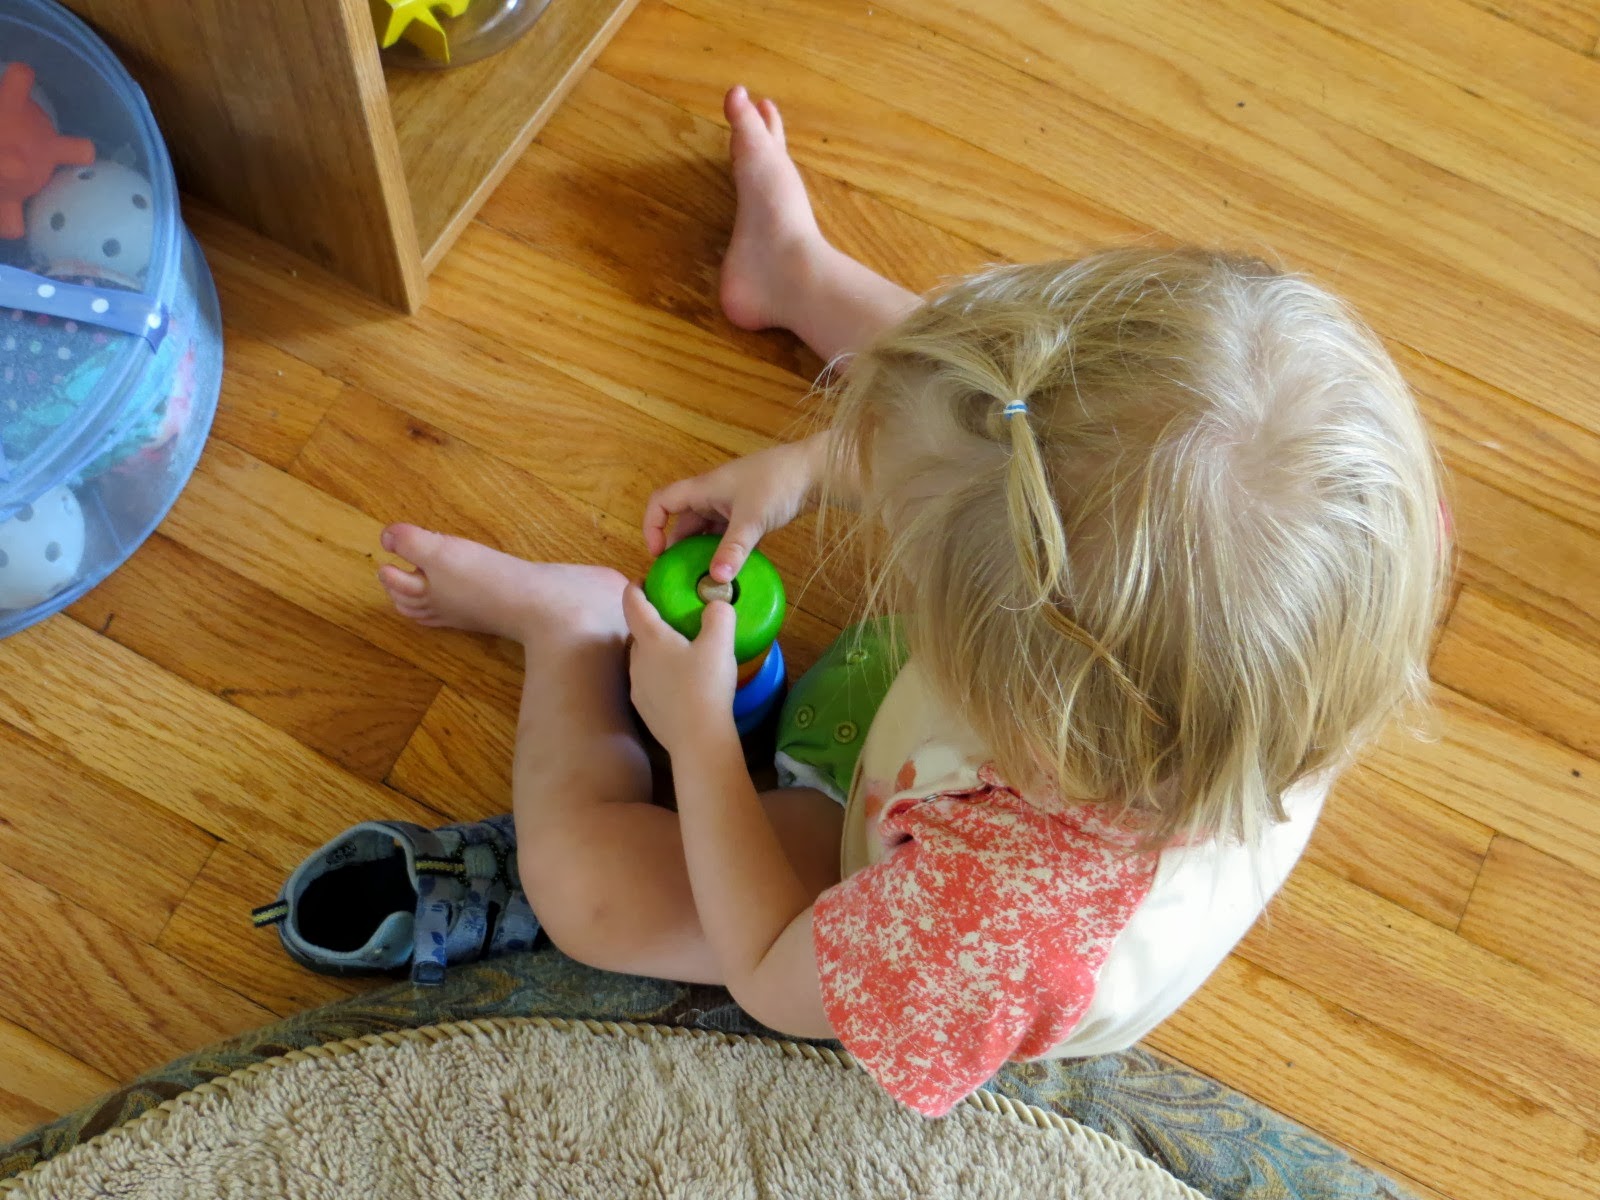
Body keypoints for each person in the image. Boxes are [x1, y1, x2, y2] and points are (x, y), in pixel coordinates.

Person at [373, 86, 1450, 1115]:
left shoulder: (982, 929)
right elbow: (1020, 437)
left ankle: (566, 629)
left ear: (1012, 700)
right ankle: (796, 275)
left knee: (590, 891)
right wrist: (812, 467)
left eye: (925, 553)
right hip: (999, 735)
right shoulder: (1352, 555)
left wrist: (696, 740)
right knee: (1019, 409)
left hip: (889, 850)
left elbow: (768, 971)